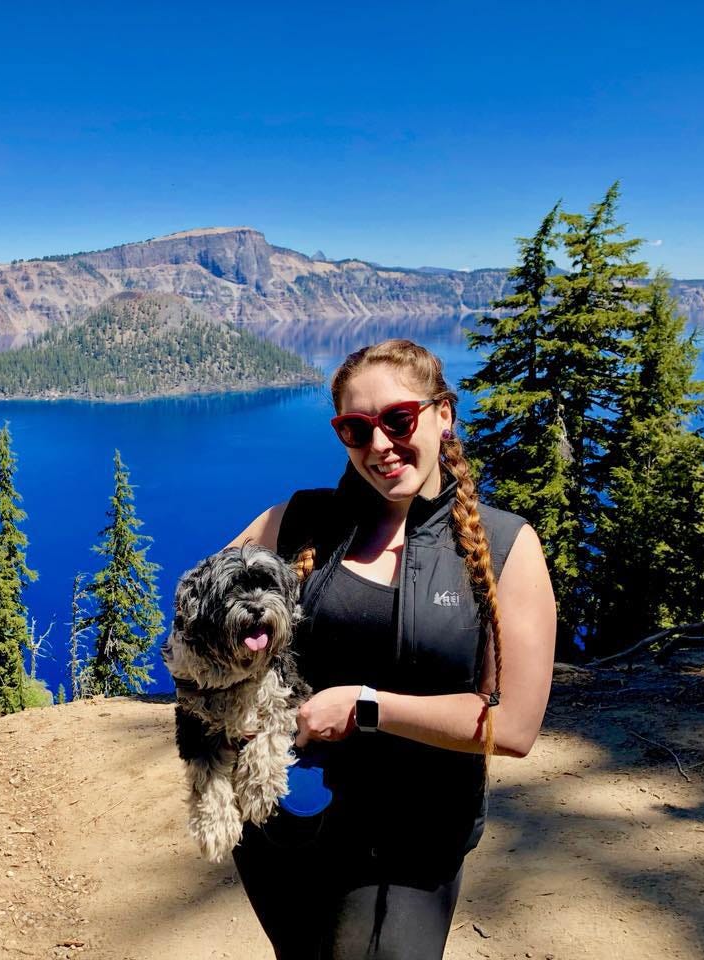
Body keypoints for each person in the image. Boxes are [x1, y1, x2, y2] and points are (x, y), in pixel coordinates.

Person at [225, 339, 556, 960]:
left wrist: (367, 707)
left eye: (398, 420)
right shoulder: (299, 521)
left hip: (415, 837)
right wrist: (241, 702)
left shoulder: (506, 546)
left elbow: (512, 727)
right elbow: (203, 609)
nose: (379, 445)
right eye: (356, 428)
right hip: (287, 817)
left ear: (442, 415)